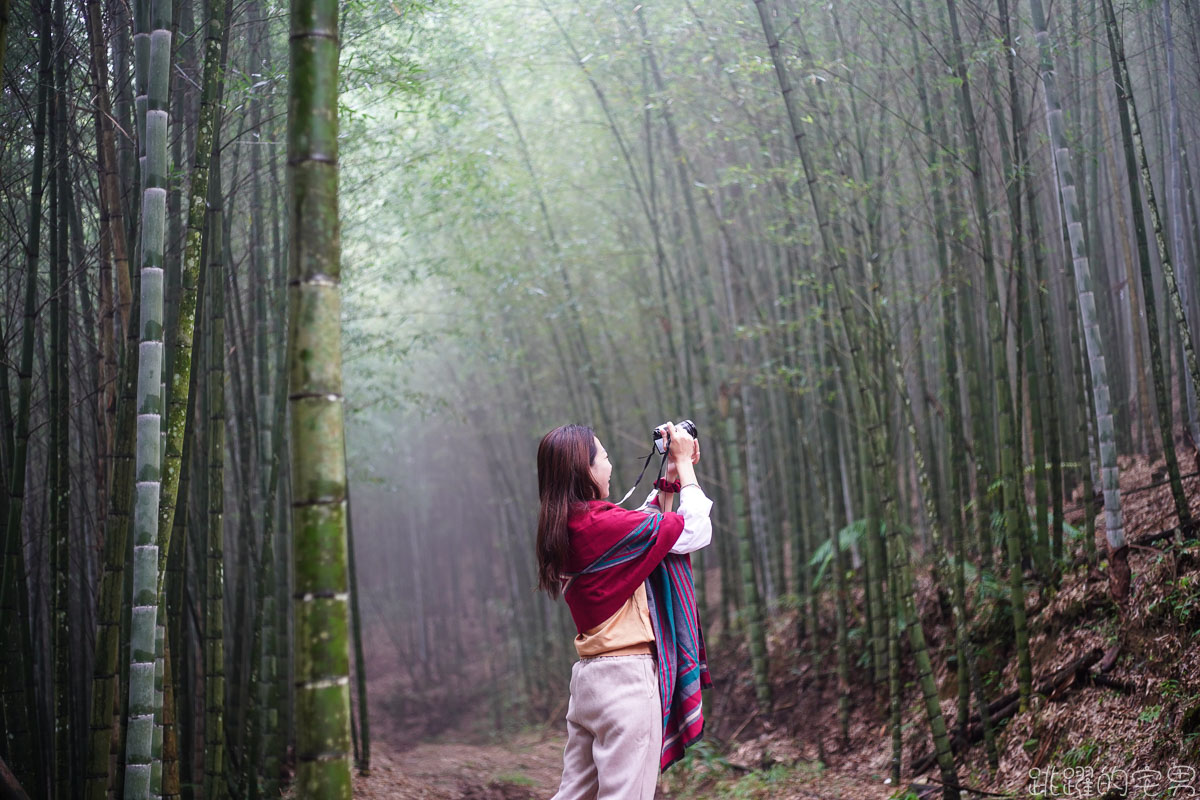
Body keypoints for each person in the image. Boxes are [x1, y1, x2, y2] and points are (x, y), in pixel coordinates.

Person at [536, 422, 714, 800]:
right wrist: (687, 468)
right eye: (604, 456)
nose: (611, 465)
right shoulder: (600, 524)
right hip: (627, 684)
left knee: (574, 795)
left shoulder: (568, 525)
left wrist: (668, 479)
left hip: (587, 684)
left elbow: (641, 532)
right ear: (585, 469)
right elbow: (695, 531)